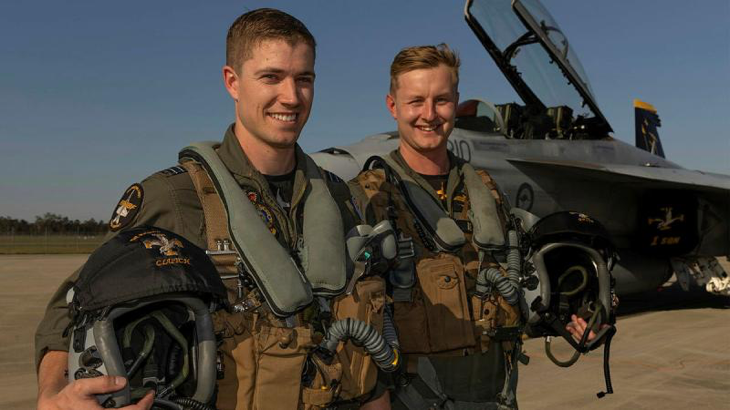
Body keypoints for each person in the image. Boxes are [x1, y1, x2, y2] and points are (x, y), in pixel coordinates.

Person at [36, 8, 390, 410]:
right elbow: (71, 309)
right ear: (233, 82)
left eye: (304, 79)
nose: (291, 97)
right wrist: (52, 395)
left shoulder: (343, 198)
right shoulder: (174, 198)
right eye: (271, 77)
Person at [348, 44, 601, 409]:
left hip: (493, 395)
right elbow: (353, 316)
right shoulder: (370, 196)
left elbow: (519, 282)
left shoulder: (485, 189)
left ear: (456, 102)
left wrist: (575, 315)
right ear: (393, 107)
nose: (429, 114)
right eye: (416, 101)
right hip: (413, 398)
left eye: (442, 100)